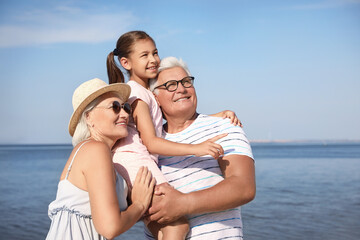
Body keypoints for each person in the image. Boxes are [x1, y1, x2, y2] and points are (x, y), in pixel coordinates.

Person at [106, 30, 241, 239]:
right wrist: (196, 149)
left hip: (133, 162)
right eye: (144, 55)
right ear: (126, 63)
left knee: (164, 228)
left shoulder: (144, 92)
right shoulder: (137, 94)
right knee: (176, 227)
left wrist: (217, 116)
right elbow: (151, 142)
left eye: (155, 52)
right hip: (136, 162)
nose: (153, 60)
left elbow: (168, 118)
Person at [147, 57, 256, 239]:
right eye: (171, 85)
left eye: (186, 82)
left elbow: (244, 187)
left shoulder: (224, 126)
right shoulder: (149, 144)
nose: (181, 89)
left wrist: (183, 203)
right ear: (155, 97)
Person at [46, 78, 155, 240]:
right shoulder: (96, 150)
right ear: (89, 117)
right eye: (115, 107)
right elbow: (109, 227)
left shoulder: (91, 151)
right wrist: (139, 205)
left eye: (125, 107)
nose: (125, 114)